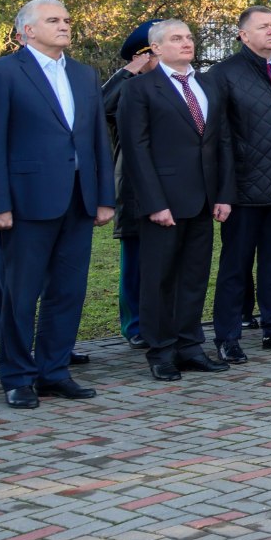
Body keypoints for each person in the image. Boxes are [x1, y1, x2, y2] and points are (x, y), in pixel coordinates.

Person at [0, 0, 112, 410]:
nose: (65, 25)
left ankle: (54, 372)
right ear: (27, 31)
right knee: (20, 293)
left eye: (67, 19)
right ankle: (16, 376)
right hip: (25, 203)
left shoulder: (85, 75)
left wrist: (104, 197)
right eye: (54, 20)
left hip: (78, 199)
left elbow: (96, 139)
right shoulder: (0, 74)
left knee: (68, 291)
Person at [115, 19, 232, 382]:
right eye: (176, 39)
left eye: (189, 37)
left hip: (203, 199)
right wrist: (154, 202)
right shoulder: (140, 89)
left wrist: (224, 194)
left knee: (194, 277)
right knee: (159, 279)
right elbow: (136, 149)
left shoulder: (208, 84)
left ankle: (190, 345)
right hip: (163, 202)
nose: (186, 43)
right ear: (156, 49)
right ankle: (161, 350)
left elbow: (223, 141)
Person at [207, 6, 271, 356]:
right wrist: (222, 188)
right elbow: (217, 136)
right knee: (236, 266)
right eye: (262, 26)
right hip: (242, 188)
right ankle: (227, 337)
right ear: (243, 35)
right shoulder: (223, 74)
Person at [100, 21, 157, 352]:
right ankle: (134, 323)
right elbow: (100, 107)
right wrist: (129, 72)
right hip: (135, 186)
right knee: (136, 260)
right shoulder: (127, 88)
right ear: (144, 56)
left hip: (175, 187)